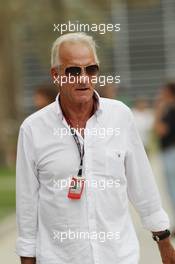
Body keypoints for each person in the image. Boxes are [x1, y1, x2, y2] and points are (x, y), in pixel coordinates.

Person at [16, 32, 175, 264]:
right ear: (56, 75)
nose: (83, 78)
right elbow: (27, 202)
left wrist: (164, 241)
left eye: (90, 69)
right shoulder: (32, 129)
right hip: (60, 258)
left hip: (118, 256)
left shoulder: (120, 116)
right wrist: (27, 256)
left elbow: (143, 185)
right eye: (73, 71)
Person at [155, 83, 175, 235]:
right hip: (169, 152)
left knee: (172, 189)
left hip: (170, 152)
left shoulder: (170, 110)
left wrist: (159, 111)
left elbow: (160, 130)